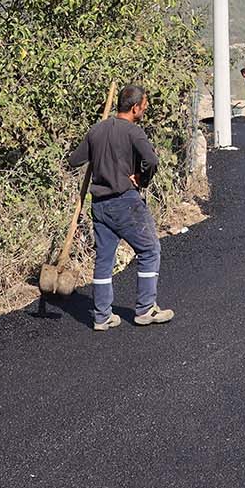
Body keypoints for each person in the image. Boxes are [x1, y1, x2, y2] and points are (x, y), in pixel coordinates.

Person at [66, 84, 173, 330]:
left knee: (104, 259)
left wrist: (97, 151)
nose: (145, 110)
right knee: (149, 250)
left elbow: (74, 160)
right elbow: (151, 160)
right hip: (125, 202)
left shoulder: (96, 130)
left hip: (99, 205)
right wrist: (142, 178)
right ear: (135, 108)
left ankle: (102, 316)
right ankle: (145, 309)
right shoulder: (134, 132)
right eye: (144, 106)